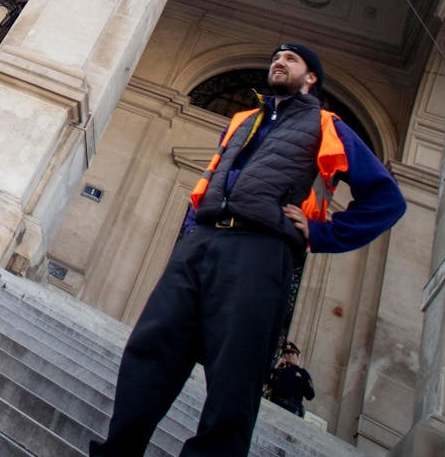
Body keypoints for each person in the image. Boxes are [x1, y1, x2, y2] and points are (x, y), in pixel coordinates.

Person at [90, 43, 406, 456]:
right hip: (201, 243)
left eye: (292, 59)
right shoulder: (244, 120)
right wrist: (190, 234)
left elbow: (387, 200)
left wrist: (321, 233)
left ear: (311, 79)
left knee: (236, 374)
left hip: (260, 252)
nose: (280, 61)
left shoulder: (327, 124)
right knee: (150, 347)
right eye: (276, 56)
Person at [266, 342, 314, 418]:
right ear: (283, 356)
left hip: (291, 412)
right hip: (272, 406)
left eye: (293, 353)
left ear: (297, 356)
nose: (290, 355)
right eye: (287, 353)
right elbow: (267, 383)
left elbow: (310, 395)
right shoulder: (278, 369)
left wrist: (300, 379)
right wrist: (276, 368)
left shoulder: (303, 373)